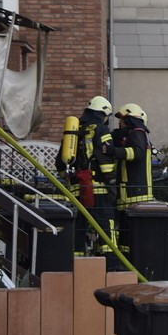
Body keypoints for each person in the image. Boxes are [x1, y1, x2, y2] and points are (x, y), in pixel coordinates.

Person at [55, 96, 118, 260]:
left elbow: (60, 163)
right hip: (98, 189)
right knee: (105, 224)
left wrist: (72, 180)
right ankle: (108, 263)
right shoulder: (101, 130)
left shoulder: (74, 132)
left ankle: (78, 263)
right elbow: (106, 160)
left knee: (79, 227)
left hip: (77, 189)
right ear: (104, 113)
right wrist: (111, 183)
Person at [111, 103, 154, 257]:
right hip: (128, 194)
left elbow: (137, 153)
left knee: (130, 234)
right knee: (125, 236)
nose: (119, 124)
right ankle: (126, 262)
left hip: (136, 194)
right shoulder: (132, 135)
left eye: (122, 120)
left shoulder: (137, 133)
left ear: (130, 119)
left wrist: (113, 151)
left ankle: (131, 262)